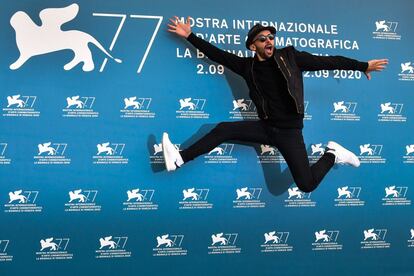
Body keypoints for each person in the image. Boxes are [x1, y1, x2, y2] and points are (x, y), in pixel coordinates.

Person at [162, 16, 388, 193]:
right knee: (223, 129)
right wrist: (189, 35)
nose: (269, 41)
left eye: (271, 37)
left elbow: (328, 61)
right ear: (253, 46)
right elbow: (217, 54)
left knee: (306, 185)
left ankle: (333, 154)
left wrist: (362, 66)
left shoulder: (290, 58)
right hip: (266, 128)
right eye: (263, 39)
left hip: (289, 132)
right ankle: (180, 158)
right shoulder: (246, 66)